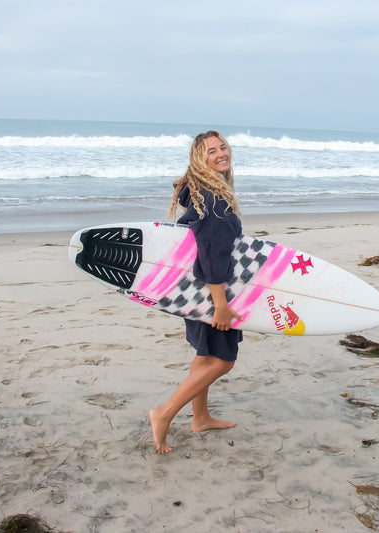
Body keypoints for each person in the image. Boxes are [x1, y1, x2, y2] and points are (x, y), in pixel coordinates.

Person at [149, 131, 243, 454]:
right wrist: (221, 305)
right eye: (211, 151)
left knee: (204, 355)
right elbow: (212, 254)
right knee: (223, 360)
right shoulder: (214, 200)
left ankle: (200, 418)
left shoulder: (205, 191)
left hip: (195, 290)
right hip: (211, 292)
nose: (220, 154)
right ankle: (164, 413)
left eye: (223, 147)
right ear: (199, 160)